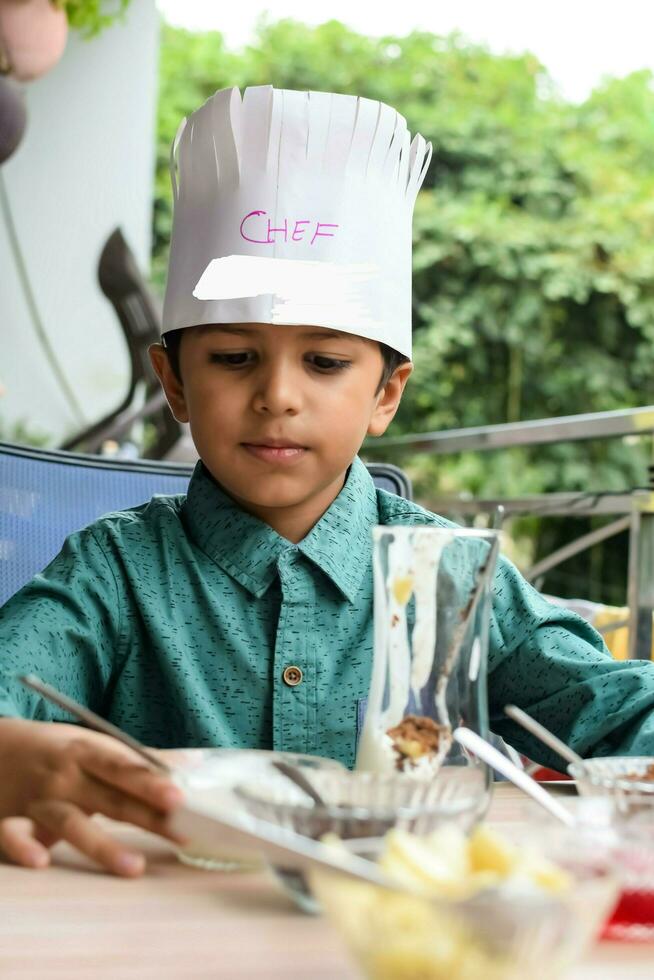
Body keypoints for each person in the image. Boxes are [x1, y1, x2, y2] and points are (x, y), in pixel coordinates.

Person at [2, 84, 654, 878]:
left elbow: (620, 712)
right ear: (173, 383)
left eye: (326, 361)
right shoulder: (115, 573)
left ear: (385, 392)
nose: (278, 394)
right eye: (235, 357)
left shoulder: (455, 580)